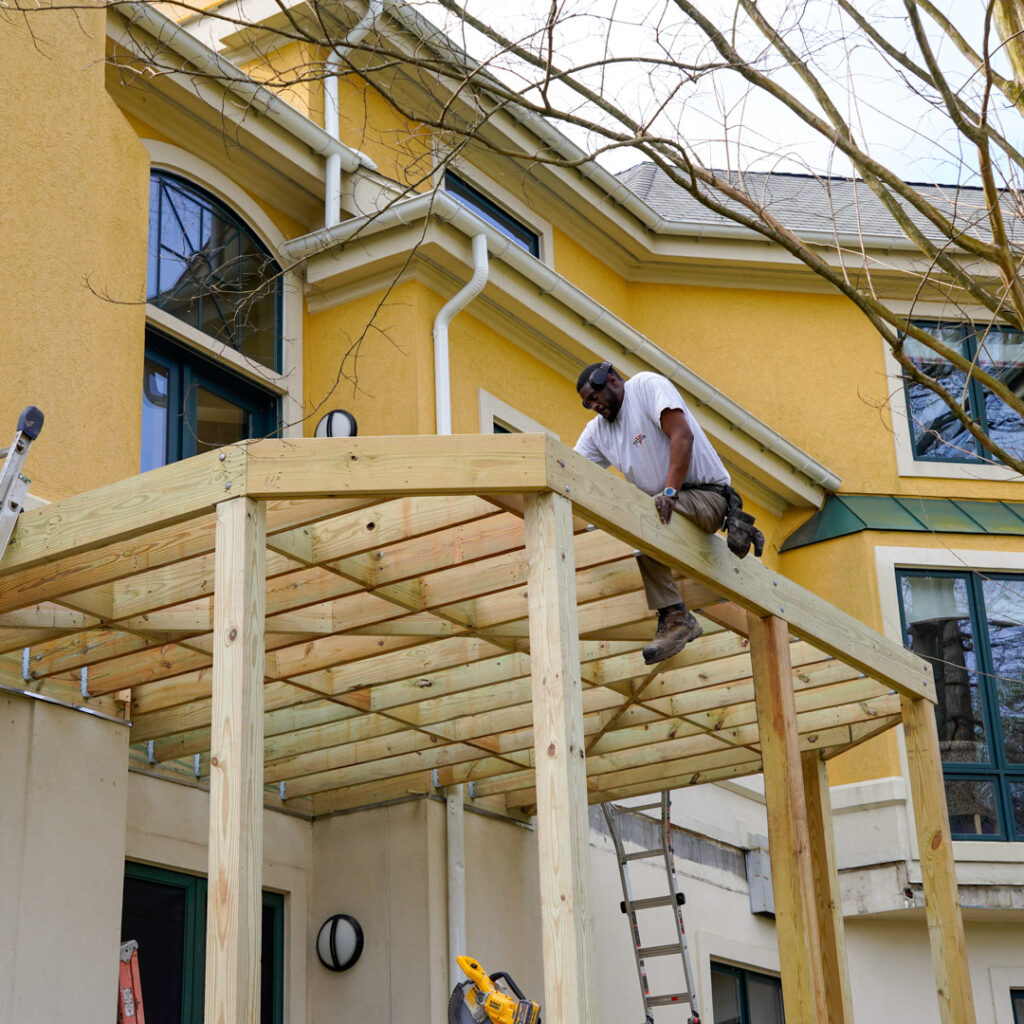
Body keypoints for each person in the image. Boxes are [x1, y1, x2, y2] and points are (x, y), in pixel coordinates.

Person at [574, 362, 731, 665]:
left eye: (595, 398)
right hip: (663, 511)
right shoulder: (598, 432)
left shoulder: (645, 387)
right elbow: (569, 468)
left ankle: (675, 618)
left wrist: (671, 491)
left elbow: (682, 436)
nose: (594, 407)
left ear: (612, 381)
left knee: (641, 512)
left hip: (707, 497)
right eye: (587, 404)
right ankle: (675, 616)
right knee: (639, 514)